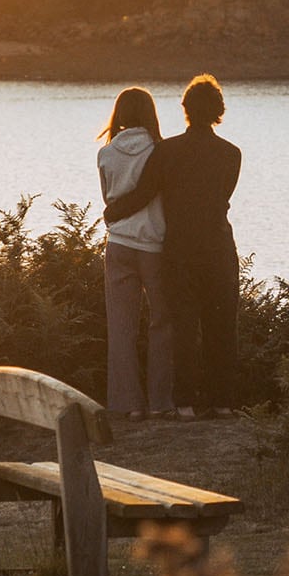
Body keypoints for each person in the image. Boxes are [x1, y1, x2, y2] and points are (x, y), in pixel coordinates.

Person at [103, 74, 242, 418]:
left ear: (185, 110)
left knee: (182, 325)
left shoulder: (168, 151)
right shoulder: (232, 154)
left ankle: (183, 405)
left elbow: (146, 191)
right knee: (221, 326)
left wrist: (114, 211)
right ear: (219, 111)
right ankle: (222, 402)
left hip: (178, 249)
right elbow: (222, 197)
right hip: (218, 247)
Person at [95, 87, 177, 420]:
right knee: (162, 323)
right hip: (154, 246)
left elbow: (108, 200)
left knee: (121, 328)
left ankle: (128, 405)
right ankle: (160, 402)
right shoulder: (161, 151)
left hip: (118, 245)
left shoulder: (106, 153)